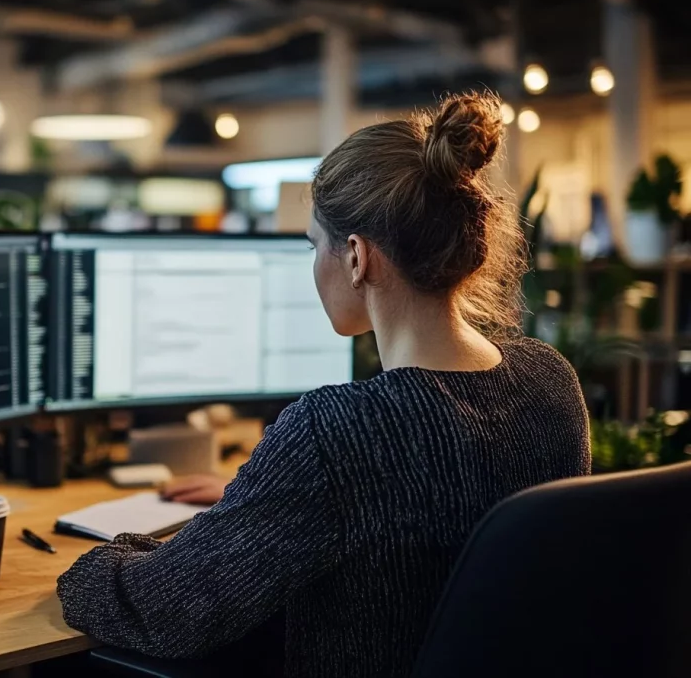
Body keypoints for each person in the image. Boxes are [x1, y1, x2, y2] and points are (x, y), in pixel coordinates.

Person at [56, 91, 591, 678]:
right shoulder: (551, 382)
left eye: (315, 245)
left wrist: (91, 564)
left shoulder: (336, 433)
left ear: (358, 257)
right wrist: (258, 506)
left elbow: (163, 610)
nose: (314, 265)